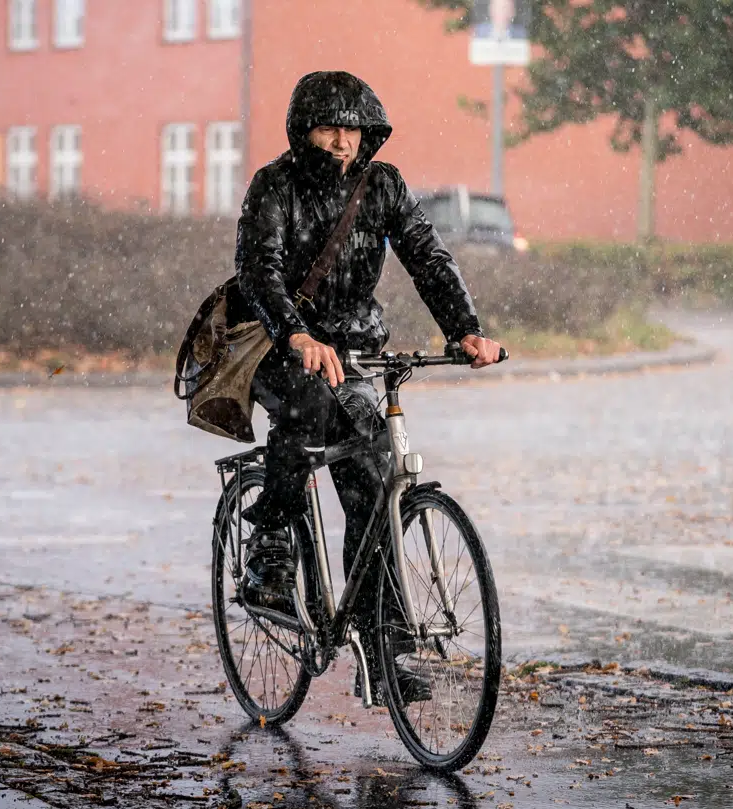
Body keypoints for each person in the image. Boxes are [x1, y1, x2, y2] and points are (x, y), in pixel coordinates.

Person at [233, 71, 503, 706]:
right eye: (329, 128)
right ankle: (270, 545)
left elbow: (427, 257)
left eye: (352, 129)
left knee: (375, 487)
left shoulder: (383, 186)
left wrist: (465, 329)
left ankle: (381, 652)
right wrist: (297, 334)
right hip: (277, 342)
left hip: (353, 348)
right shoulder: (275, 186)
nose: (341, 141)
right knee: (304, 407)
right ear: (303, 132)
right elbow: (257, 270)